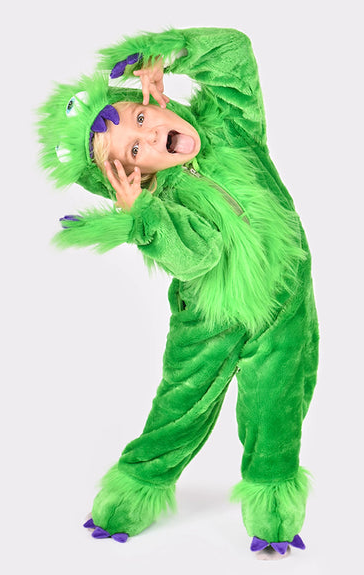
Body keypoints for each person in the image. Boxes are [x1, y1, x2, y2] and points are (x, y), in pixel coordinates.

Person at [38, 27, 319, 558]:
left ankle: (274, 510)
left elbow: (235, 55)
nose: (149, 137)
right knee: (181, 408)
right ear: (133, 174)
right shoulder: (164, 204)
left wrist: (170, 53)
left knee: (279, 408)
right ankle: (132, 492)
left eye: (141, 118)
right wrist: (144, 215)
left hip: (285, 303)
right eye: (134, 150)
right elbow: (199, 256)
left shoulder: (231, 127)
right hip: (208, 318)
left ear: (155, 101)